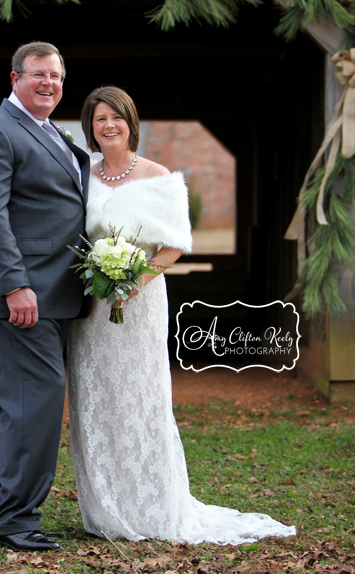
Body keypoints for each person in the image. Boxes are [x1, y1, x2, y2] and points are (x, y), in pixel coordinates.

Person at [67, 85, 296, 545]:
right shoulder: (82, 175)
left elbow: (174, 244)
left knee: (142, 397)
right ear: (89, 128)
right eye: (98, 119)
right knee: (95, 398)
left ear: (132, 122)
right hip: (92, 308)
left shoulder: (160, 176)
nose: (108, 125)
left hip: (142, 300)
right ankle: (106, 509)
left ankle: (152, 504)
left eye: (116, 117)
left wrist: (135, 281)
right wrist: (103, 277)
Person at [0, 41, 91, 553]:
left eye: (56, 76)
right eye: (38, 74)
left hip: (52, 294)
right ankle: (17, 517)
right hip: (16, 294)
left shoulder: (52, 133)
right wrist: (15, 285)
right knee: (36, 401)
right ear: (13, 78)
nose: (49, 83)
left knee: (12, 401)